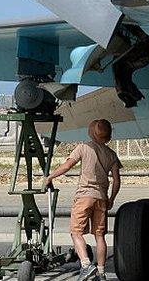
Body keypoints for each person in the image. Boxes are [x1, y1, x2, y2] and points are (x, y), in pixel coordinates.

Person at [45, 119, 122, 281]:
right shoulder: (112, 155)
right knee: (99, 236)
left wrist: (50, 177)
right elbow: (116, 181)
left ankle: (86, 265)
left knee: (76, 232)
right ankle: (101, 272)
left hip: (84, 196)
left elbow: (67, 166)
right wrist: (111, 198)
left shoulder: (83, 148)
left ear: (91, 133)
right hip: (101, 197)